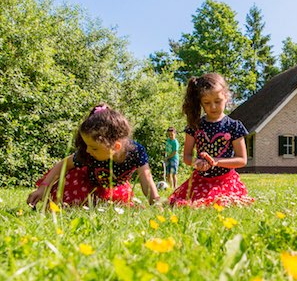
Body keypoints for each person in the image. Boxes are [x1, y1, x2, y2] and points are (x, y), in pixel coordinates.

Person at [27, 103, 160, 208]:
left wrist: (156, 204)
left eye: (94, 148)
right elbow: (64, 164)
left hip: (113, 188)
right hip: (85, 182)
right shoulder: (88, 153)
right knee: (69, 203)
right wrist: (43, 188)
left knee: (115, 206)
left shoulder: (136, 152)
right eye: (87, 146)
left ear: (116, 146)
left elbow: (147, 180)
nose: (88, 151)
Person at [169, 73, 252, 207]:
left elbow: (242, 160)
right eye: (207, 103)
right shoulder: (194, 126)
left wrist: (215, 162)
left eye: (217, 101)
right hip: (200, 180)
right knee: (189, 204)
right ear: (200, 103)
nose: (213, 107)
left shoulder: (234, 126)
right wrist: (197, 162)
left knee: (223, 203)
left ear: (226, 97)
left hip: (225, 181)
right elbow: (187, 156)